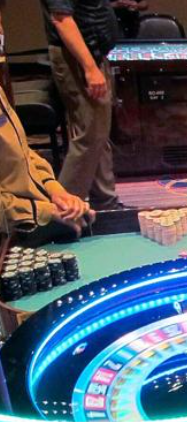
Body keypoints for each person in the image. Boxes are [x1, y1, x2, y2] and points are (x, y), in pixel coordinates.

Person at [41, 0, 122, 211]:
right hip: (78, 58)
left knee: (99, 131)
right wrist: (89, 67)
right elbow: (61, 19)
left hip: (90, 56)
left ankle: (105, 203)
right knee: (90, 134)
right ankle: (62, 212)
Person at [0, 85, 95, 242]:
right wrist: (43, 211)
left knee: (84, 220)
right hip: (12, 227)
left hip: (32, 210)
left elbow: (21, 151)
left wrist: (55, 191)